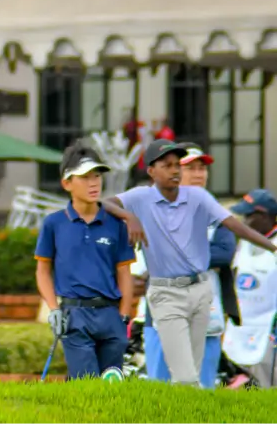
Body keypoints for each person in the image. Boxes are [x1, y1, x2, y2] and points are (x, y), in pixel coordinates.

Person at [101, 139, 277, 386]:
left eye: (200, 168)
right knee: (171, 381)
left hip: (204, 298)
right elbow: (105, 206)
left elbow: (227, 246)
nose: (192, 173)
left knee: (199, 382)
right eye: (187, 167)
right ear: (152, 171)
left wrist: (272, 247)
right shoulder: (142, 199)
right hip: (164, 297)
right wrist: (129, 217)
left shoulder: (202, 201)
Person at [139, 142, 239, 389]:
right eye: (190, 168)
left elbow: (225, 253)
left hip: (208, 316)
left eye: (201, 168)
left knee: (201, 395)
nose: (198, 174)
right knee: (161, 396)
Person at [35, 139, 135, 380]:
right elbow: (42, 271)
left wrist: (124, 316)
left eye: (97, 176)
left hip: (111, 316)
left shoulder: (115, 224)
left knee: (112, 388)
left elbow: (124, 273)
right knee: (87, 385)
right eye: (85, 177)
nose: (94, 183)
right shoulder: (53, 224)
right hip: (74, 314)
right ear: (67, 183)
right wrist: (54, 309)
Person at [223, 189, 277, 388]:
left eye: (249, 216)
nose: (244, 221)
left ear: (266, 216)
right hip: (240, 329)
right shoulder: (242, 243)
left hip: (268, 333)